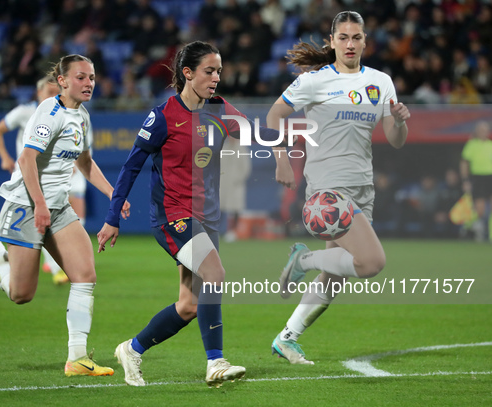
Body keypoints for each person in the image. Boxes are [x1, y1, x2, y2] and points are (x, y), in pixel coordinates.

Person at [96, 41, 283, 387]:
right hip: (173, 216)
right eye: (209, 71)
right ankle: (215, 362)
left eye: (219, 72)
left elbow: (256, 135)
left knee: (189, 305)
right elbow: (130, 168)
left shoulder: (220, 109)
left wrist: (290, 140)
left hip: (206, 218)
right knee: (215, 274)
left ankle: (132, 349)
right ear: (187, 73)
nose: (216, 78)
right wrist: (112, 217)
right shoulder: (163, 116)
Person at [0, 54, 130, 377]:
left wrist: (114, 193)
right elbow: (26, 160)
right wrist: (39, 204)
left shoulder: (82, 117)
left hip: (57, 206)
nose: (89, 83)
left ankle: (77, 359)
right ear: (63, 81)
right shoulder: (48, 111)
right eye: (81, 77)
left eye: (92, 78)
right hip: (27, 204)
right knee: (21, 294)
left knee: (84, 274)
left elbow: (84, 163)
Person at [267, 11, 410, 365]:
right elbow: (273, 117)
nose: (350, 43)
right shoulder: (316, 81)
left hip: (363, 186)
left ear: (365, 41)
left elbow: (395, 140)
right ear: (332, 42)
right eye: (343, 37)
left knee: (336, 276)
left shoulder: (381, 82)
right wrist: (281, 158)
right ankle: (303, 259)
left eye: (356, 37)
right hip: (327, 189)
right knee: (372, 262)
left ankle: (287, 338)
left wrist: (401, 122)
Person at [0, 76, 69, 285]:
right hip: (26, 176)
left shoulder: (61, 114)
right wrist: (4, 157)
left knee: (39, 223)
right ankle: (56, 270)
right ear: (38, 93)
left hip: (48, 177)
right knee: (42, 222)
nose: (54, 96)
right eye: (49, 92)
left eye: (58, 93)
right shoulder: (25, 112)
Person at [460, 121, 492, 242]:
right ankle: (467, 227)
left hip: (490, 177)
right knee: (480, 210)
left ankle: (490, 236)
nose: (483, 132)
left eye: (485, 130)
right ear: (477, 132)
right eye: (481, 130)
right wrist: (465, 180)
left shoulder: (490, 145)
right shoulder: (471, 145)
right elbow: (464, 163)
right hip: (478, 178)